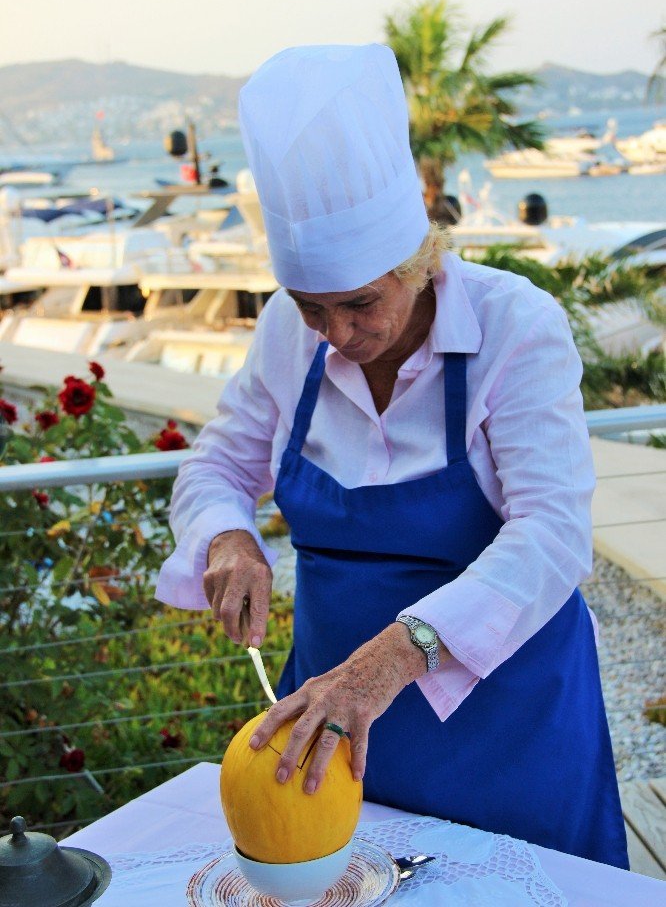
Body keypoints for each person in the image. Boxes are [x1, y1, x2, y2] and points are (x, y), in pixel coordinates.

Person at [156, 44, 629, 869]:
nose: (337, 334)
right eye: (313, 309)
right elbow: (215, 468)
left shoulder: (515, 325)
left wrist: (386, 663)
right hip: (335, 732)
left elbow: (553, 532)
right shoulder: (282, 333)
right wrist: (228, 536)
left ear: (419, 258)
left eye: (360, 303)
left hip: (509, 729)